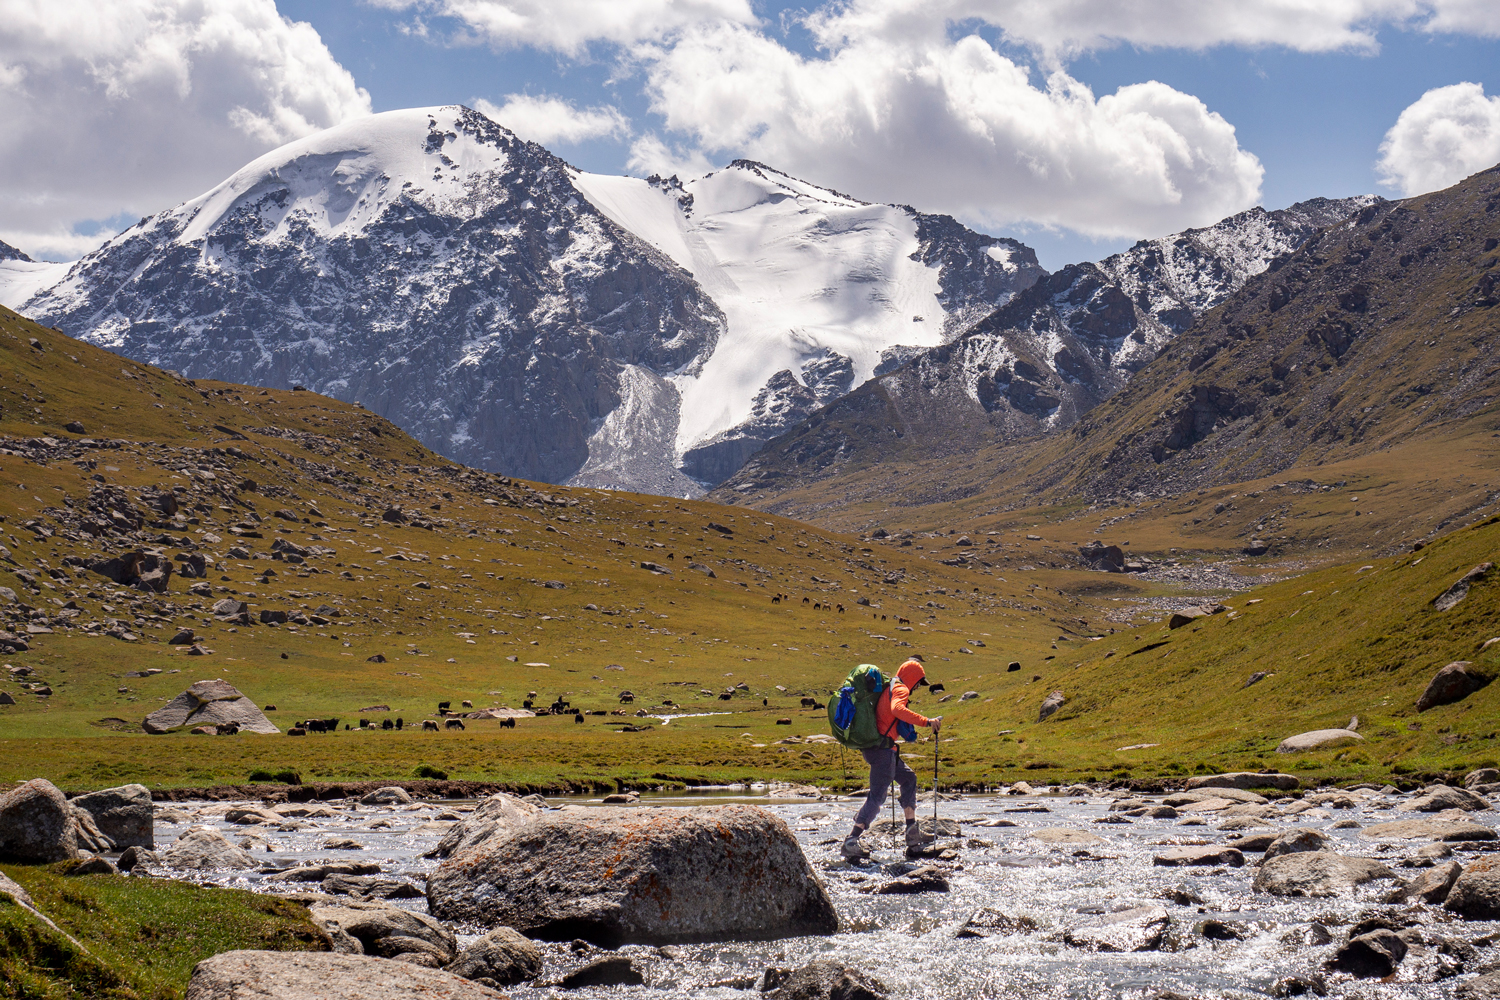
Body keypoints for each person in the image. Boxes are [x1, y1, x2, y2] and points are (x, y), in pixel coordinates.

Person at [841, 656, 941, 860]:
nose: (918, 688)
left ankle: (912, 833)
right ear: (913, 678)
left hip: (883, 749)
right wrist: (926, 722)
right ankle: (851, 840)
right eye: (919, 683)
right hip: (882, 751)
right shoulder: (901, 689)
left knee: (908, 779)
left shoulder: (890, 686)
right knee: (878, 796)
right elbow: (897, 709)